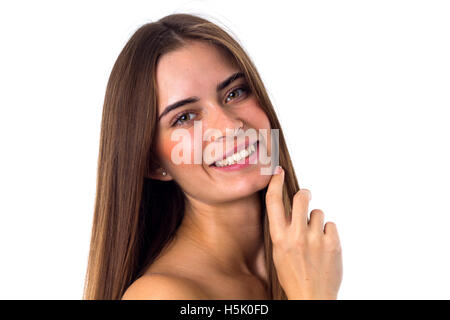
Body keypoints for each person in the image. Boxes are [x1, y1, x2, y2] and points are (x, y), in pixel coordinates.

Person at [83, 13, 343, 300]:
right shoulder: (160, 295)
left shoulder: (301, 261)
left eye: (235, 93)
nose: (230, 126)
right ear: (154, 163)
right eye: (185, 117)